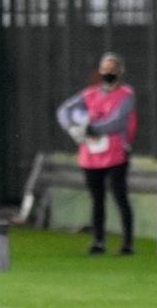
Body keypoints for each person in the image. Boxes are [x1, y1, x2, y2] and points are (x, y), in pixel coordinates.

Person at [56, 52, 137, 255]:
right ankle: (98, 241)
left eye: (112, 69)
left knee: (120, 197)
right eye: (105, 69)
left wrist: (93, 129)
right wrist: (73, 127)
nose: (108, 73)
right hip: (91, 156)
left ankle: (127, 243)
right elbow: (64, 111)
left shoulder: (126, 95)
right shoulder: (90, 94)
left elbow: (117, 122)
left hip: (116, 154)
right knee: (97, 199)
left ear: (120, 71)